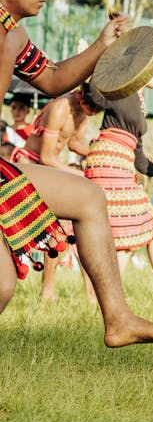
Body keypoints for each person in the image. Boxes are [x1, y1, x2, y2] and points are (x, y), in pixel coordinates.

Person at [0, 0, 153, 346]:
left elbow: (53, 78)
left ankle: (117, 320)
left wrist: (102, 45)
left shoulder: (16, 35)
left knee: (86, 199)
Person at [83, 69, 153, 311]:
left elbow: (138, 151)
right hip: (110, 160)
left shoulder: (139, 97)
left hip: (123, 160)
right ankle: (109, 302)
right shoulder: (123, 86)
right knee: (125, 236)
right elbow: (95, 100)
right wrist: (89, 75)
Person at [11, 88, 97, 301]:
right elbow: (47, 156)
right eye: (92, 107)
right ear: (82, 96)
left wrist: (102, 151)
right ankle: (48, 291)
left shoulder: (84, 111)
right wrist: (81, 176)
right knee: (56, 227)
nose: (94, 113)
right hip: (30, 164)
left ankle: (90, 294)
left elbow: (75, 143)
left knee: (71, 226)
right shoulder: (60, 108)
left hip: (50, 167)